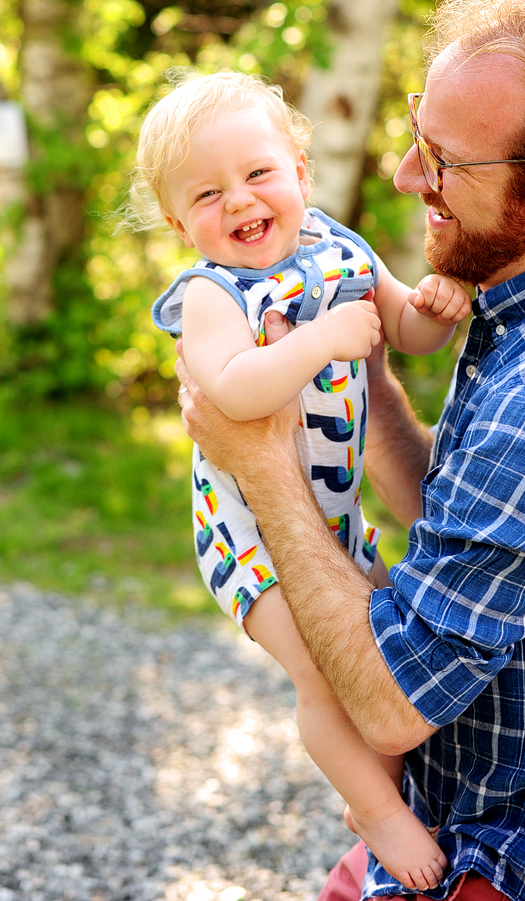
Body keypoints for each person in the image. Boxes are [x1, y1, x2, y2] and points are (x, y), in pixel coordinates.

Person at [174, 0, 525, 901]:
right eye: (416, 136)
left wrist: (261, 462)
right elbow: (468, 521)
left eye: (443, 159)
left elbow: (388, 707)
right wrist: (367, 381)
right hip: (459, 797)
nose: (405, 176)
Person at [133, 71, 471, 891]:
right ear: (182, 226)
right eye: (208, 195)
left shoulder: (338, 247)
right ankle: (384, 819)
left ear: (300, 173)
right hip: (245, 531)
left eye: (257, 174)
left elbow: (401, 330)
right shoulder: (213, 297)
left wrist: (435, 303)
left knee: (378, 650)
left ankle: (373, 798)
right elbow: (233, 392)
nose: (240, 201)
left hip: (331, 523)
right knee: (321, 669)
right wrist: (319, 343)